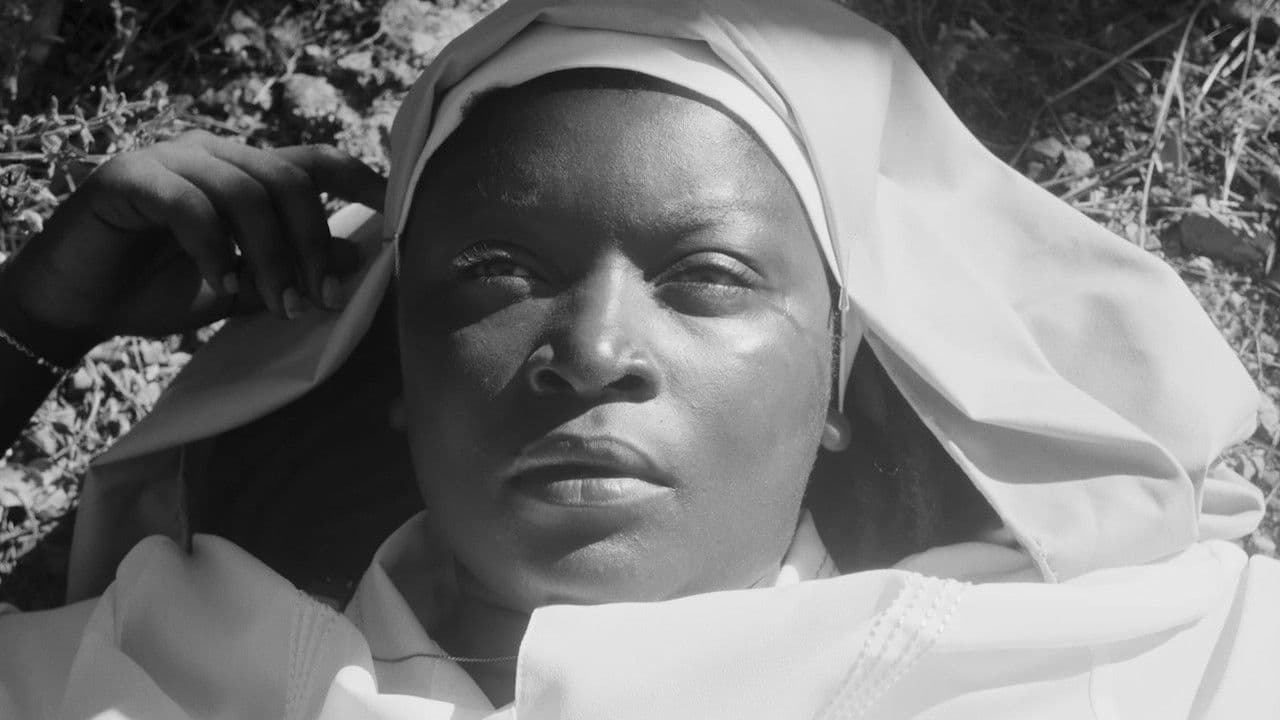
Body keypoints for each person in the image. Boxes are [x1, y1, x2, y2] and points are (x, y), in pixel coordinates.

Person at [1, 0, 1278, 717]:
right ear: (395, 362)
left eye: (706, 278)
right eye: (499, 274)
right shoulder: (151, 669)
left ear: (839, 375)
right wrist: (29, 325)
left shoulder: (1154, 669)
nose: (594, 352)